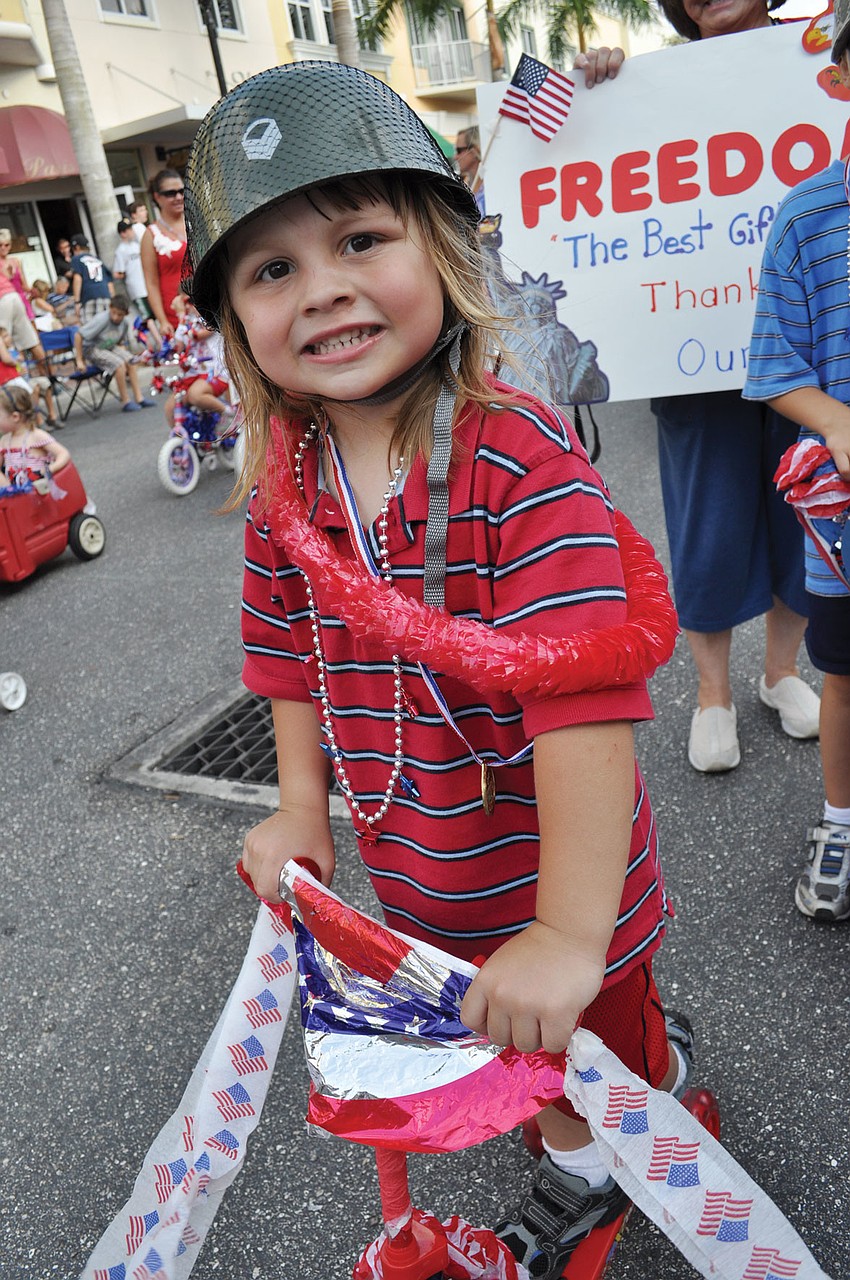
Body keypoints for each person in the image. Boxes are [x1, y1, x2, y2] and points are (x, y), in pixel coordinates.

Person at [183, 62, 692, 1278]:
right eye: (272, 268)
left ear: (446, 250)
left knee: (589, 1051)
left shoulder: (519, 465)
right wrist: (302, 805)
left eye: (360, 236)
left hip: (565, 875)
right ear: (235, 321)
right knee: (508, 1042)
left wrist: (568, 930)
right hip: (423, 873)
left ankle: (628, 1127)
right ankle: (589, 1106)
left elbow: (583, 694)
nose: (326, 289)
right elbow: (286, 658)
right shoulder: (283, 495)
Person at [645, 0, 819, 773]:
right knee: (707, 527)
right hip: (691, 355)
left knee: (805, 516)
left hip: (807, 341)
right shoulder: (644, 84)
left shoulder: (819, 58)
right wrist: (591, 95)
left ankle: (780, 672)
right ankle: (711, 695)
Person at [743, 0, 850, 921]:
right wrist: (836, 421)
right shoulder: (809, 215)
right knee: (844, 678)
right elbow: (775, 367)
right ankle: (841, 819)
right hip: (846, 525)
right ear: (839, 78)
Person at [73, 295, 154, 413]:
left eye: (120, 315)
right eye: (114, 312)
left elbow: (120, 342)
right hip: (92, 348)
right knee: (119, 364)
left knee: (131, 360)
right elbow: (78, 335)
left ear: (126, 314)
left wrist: (125, 354)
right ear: (110, 307)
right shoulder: (101, 319)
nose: (116, 317)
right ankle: (125, 401)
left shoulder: (125, 324)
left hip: (108, 346)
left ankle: (139, 398)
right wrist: (79, 360)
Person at [141, 168, 187, 338]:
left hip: (210, 309)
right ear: (157, 197)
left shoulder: (197, 222)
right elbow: (151, 283)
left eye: (182, 191)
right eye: (170, 193)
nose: (178, 197)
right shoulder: (151, 234)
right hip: (176, 316)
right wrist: (162, 320)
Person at [0, 384, 69, 489]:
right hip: (18, 497)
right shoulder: (4, 441)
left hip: (42, 493)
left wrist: (50, 469)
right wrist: (6, 486)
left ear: (15, 417)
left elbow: (63, 453)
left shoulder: (36, 436)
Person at [113, 218, 162, 348]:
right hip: (136, 288)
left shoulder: (137, 244)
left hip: (147, 284)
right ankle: (160, 343)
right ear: (123, 233)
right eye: (128, 230)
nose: (132, 232)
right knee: (148, 316)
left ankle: (163, 339)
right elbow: (117, 272)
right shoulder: (120, 250)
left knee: (156, 311)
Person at [69, 233, 114, 323]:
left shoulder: (77, 259)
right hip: (105, 295)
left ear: (77, 247)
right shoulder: (97, 260)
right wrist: (113, 300)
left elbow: (78, 279)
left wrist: (77, 302)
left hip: (89, 296)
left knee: (90, 327)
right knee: (106, 324)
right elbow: (109, 283)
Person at [0, 228, 36, 321]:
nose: (3, 248)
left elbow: (24, 284)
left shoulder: (16, 261)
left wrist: (33, 291)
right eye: (0, 245)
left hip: (21, 298)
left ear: (10, 245)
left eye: (6, 245)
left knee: (32, 327)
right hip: (6, 301)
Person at [454, 124, 485, 214]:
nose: (456, 157)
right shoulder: (465, 188)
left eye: (459, 150)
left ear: (475, 150)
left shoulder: (491, 189)